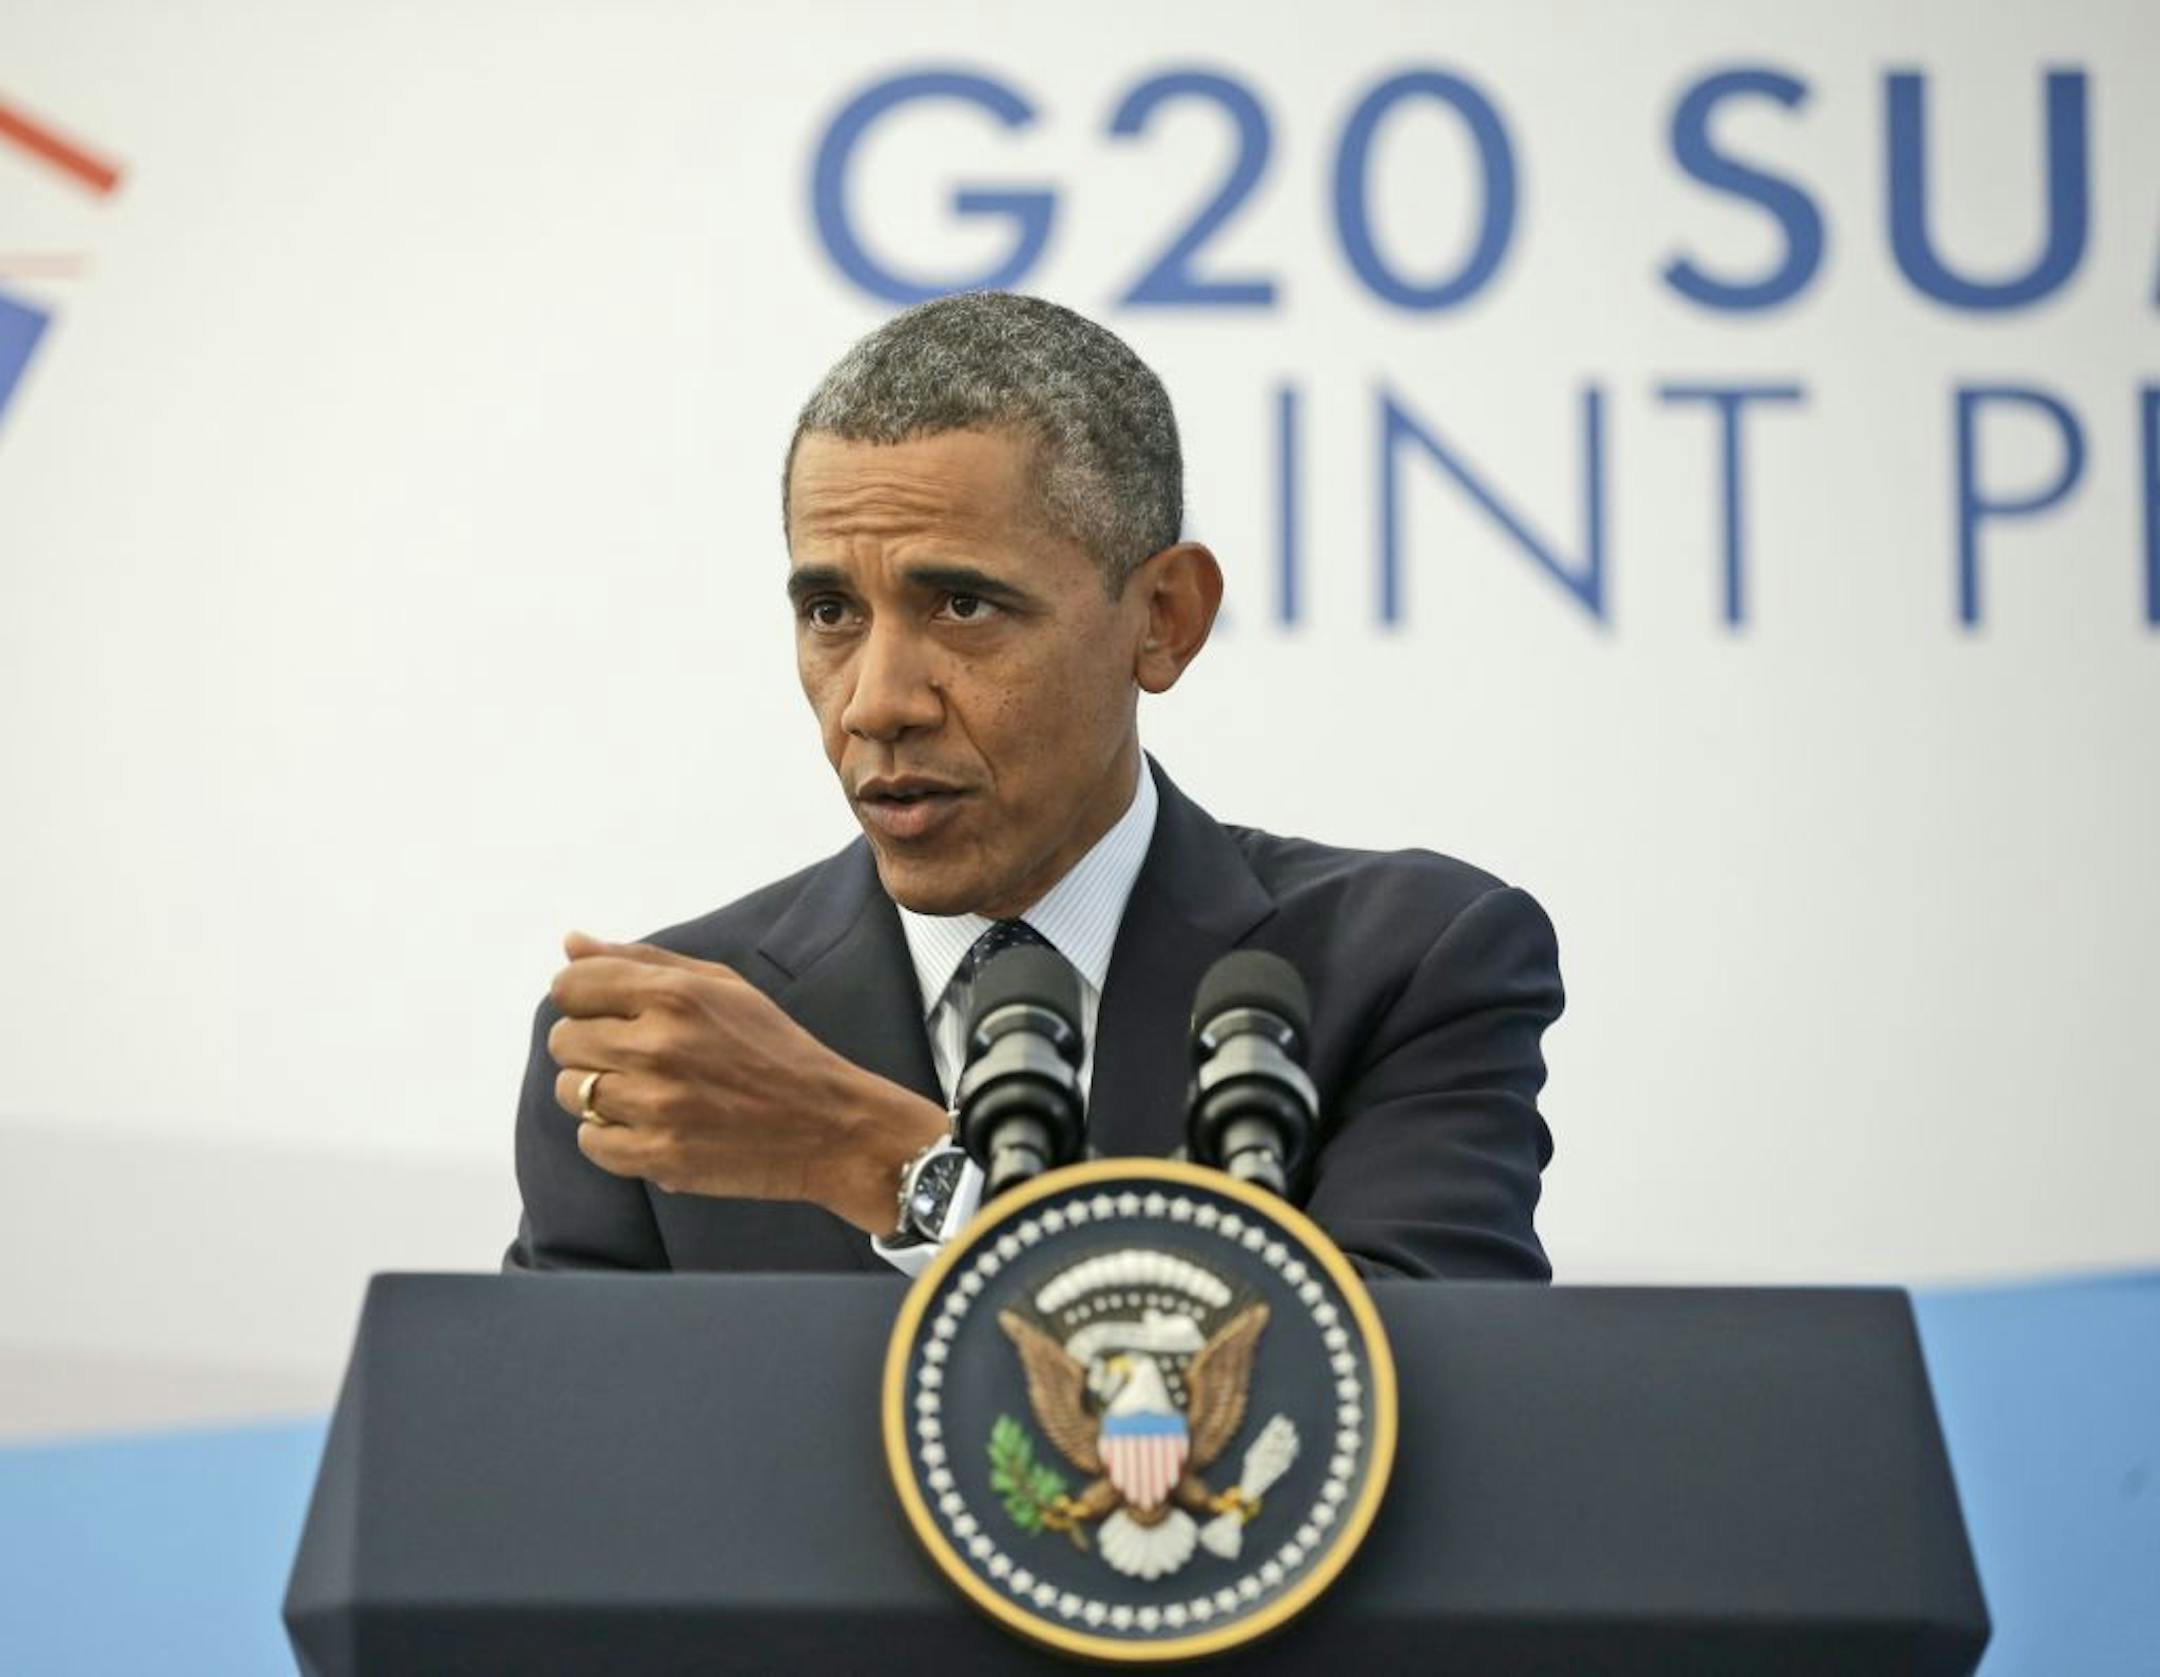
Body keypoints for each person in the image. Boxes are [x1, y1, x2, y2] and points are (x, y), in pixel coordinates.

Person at [506, 292, 1562, 1282]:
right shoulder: (659, 1057)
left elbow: (1398, 1396)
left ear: (1163, 618)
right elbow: (555, 1462)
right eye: (831, 612)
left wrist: (894, 1167)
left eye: (962, 605)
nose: (877, 703)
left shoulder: (1404, 968)